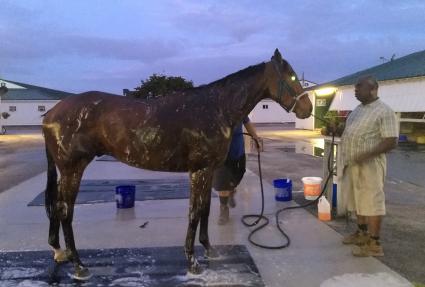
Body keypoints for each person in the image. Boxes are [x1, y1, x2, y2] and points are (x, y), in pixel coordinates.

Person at [340, 75, 398, 257]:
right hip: (353, 164)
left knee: (372, 203)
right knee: (358, 201)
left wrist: (367, 154)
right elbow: (350, 132)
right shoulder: (358, 109)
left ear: (373, 89)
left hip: (370, 166)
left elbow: (391, 141)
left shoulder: (384, 111)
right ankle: (362, 233)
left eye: (359, 87)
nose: (355, 90)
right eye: (355, 87)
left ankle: (374, 243)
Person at [213, 117, 260, 225]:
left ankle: (231, 190)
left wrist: (256, 138)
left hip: (238, 151)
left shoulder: (239, 105)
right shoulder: (215, 105)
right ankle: (224, 209)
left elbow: (246, 122)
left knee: (238, 174)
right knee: (222, 183)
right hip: (220, 153)